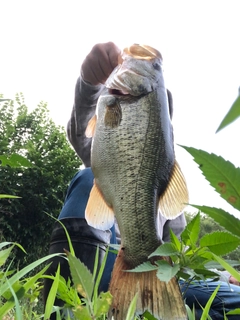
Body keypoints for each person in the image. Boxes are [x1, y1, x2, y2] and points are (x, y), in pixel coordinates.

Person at [43, 42, 240, 320]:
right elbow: (80, 131)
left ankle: (151, 308)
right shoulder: (110, 123)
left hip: (159, 269)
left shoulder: (163, 176)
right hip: (105, 257)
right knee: (87, 178)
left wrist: (224, 274)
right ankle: (68, 311)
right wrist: (88, 82)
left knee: (235, 300)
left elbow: (177, 250)